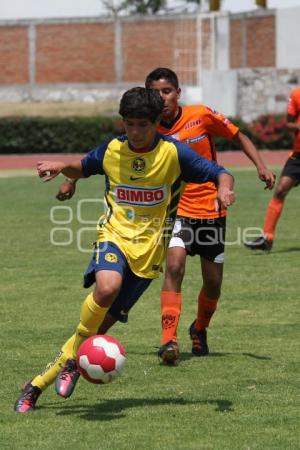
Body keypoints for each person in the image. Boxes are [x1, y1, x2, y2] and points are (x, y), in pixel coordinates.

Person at [15, 86, 235, 413]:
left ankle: (35, 384)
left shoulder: (174, 154)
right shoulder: (113, 150)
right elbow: (84, 165)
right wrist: (63, 166)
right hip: (114, 234)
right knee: (107, 287)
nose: (135, 132)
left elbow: (220, 172)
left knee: (95, 333)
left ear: (157, 122)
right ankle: (59, 372)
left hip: (148, 255)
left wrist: (224, 191)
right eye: (129, 124)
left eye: (143, 125)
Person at [56, 68, 276, 368]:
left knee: (212, 282)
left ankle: (199, 328)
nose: (163, 97)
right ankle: (168, 340)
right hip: (176, 213)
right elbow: (103, 159)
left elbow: (238, 137)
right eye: (156, 92)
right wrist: (71, 178)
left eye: (167, 91)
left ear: (178, 93)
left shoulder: (198, 118)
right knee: (174, 265)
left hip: (211, 210)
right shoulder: (145, 133)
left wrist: (258, 168)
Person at [245, 86, 300, 251]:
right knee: (280, 190)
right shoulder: (296, 94)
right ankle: (267, 238)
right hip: (298, 156)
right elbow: (289, 123)